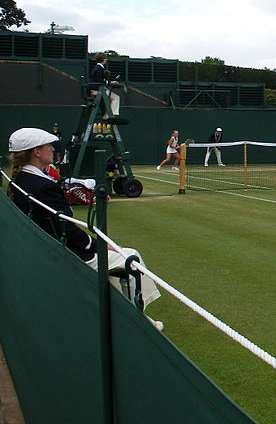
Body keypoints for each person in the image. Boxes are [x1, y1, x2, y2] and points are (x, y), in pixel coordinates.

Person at [7, 128, 162, 321]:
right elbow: (67, 230)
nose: (52, 149)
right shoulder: (42, 186)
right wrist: (101, 245)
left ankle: (121, 317)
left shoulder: (17, 182)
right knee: (131, 257)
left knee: (113, 267)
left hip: (41, 249)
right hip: (60, 254)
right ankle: (138, 321)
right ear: (37, 152)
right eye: (48, 146)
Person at [89, 52, 121, 117]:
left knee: (110, 100)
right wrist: (110, 83)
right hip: (98, 91)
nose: (106, 60)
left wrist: (110, 82)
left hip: (96, 89)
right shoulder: (99, 68)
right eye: (105, 58)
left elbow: (101, 79)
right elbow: (100, 80)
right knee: (116, 97)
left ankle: (106, 116)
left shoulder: (97, 68)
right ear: (103, 59)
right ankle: (111, 115)